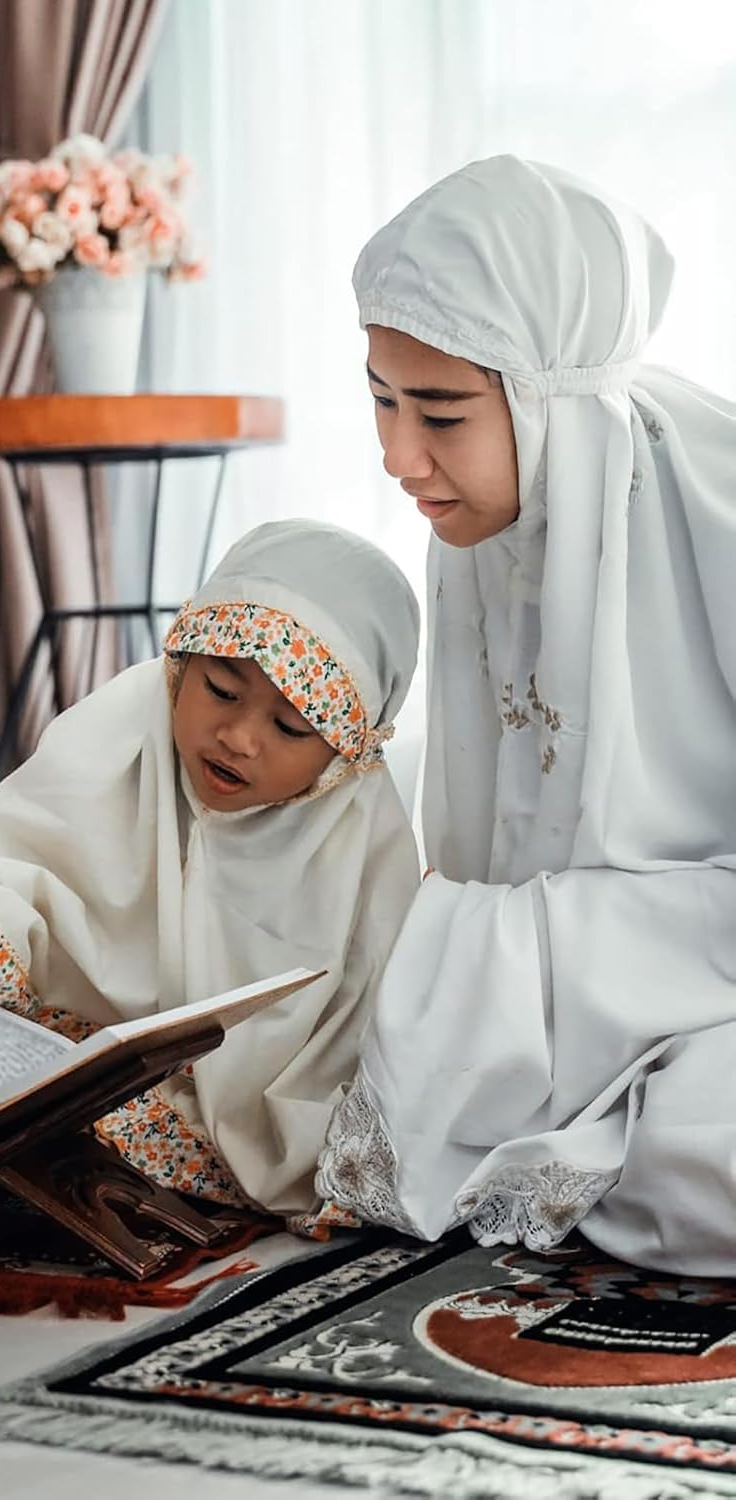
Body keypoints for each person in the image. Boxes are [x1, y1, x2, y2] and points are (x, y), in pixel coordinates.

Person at [0, 520, 421, 1224]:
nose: (240, 738)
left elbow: (358, 1045)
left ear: (349, 756)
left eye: (290, 728)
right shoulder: (123, 737)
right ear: (181, 663)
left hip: (193, 1119)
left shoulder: (357, 848)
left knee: (58, 1118)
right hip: (70, 1047)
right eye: (222, 689)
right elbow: (1, 881)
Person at [318, 156, 736, 1273]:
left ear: (553, 403)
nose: (400, 459)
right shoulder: (485, 522)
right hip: (611, 974)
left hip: (711, 959)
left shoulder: (717, 509)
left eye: (442, 413)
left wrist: (539, 950)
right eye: (381, 398)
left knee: (710, 1149)